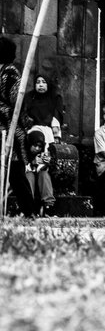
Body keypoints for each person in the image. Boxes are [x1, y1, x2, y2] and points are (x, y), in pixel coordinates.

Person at [0, 36, 35, 216]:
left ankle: (29, 212)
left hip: (9, 130)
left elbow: (17, 102)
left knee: (15, 174)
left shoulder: (10, 73)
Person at [23, 74, 64, 146]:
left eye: (44, 82)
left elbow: (57, 113)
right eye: (38, 82)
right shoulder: (30, 97)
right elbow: (24, 113)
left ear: (48, 84)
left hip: (49, 129)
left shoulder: (54, 98)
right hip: (33, 129)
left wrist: (55, 126)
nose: (41, 85)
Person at [24, 129, 55, 216]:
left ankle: (48, 205)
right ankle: (29, 205)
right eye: (35, 146)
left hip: (40, 180)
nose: (37, 149)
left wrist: (46, 163)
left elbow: (44, 170)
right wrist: (31, 163)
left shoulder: (43, 153)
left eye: (39, 146)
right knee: (29, 176)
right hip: (27, 178)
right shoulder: (23, 152)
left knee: (44, 174)